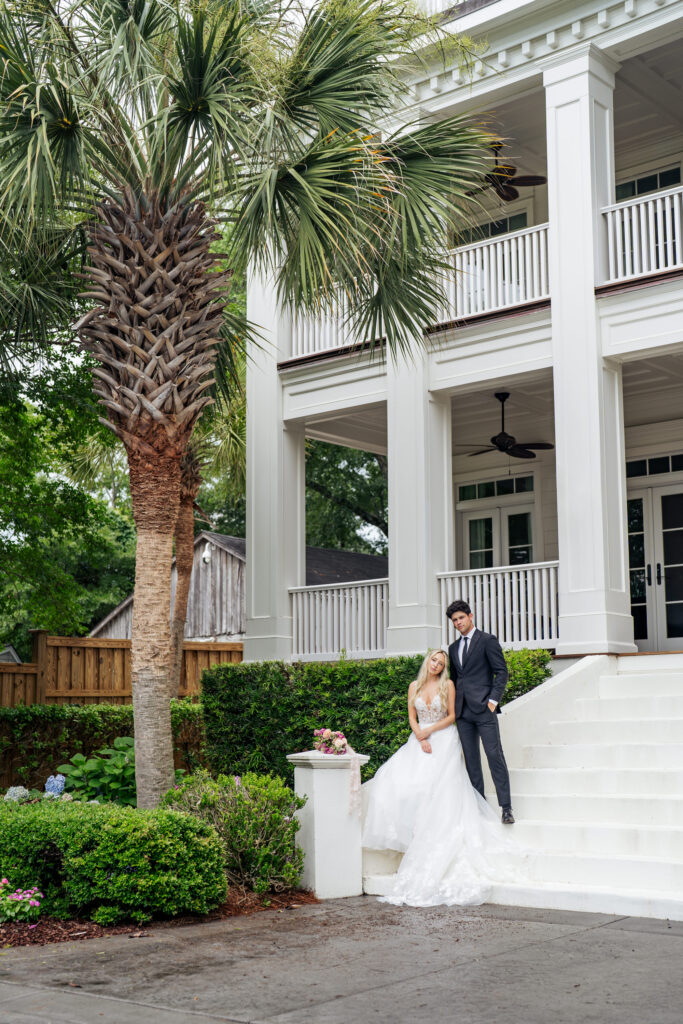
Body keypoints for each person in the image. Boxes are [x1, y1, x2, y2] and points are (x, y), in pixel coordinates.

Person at [362, 649, 522, 907]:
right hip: (420, 740)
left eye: (441, 662)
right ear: (428, 661)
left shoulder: (448, 685)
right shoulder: (414, 685)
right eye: (434, 660)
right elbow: (412, 717)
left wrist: (429, 732)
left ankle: (438, 834)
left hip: (443, 738)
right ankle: (414, 837)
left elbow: (450, 716)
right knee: (397, 782)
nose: (437, 665)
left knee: (437, 787)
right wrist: (419, 736)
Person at [446, 599, 514, 824]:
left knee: (495, 756)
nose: (458, 623)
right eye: (454, 620)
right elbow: (455, 680)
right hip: (463, 713)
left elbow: (501, 672)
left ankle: (506, 807)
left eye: (461, 618)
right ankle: (480, 806)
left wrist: (493, 701)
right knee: (472, 761)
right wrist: (453, 709)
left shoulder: (487, 640)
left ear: (470, 616)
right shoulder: (453, 648)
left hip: (485, 709)